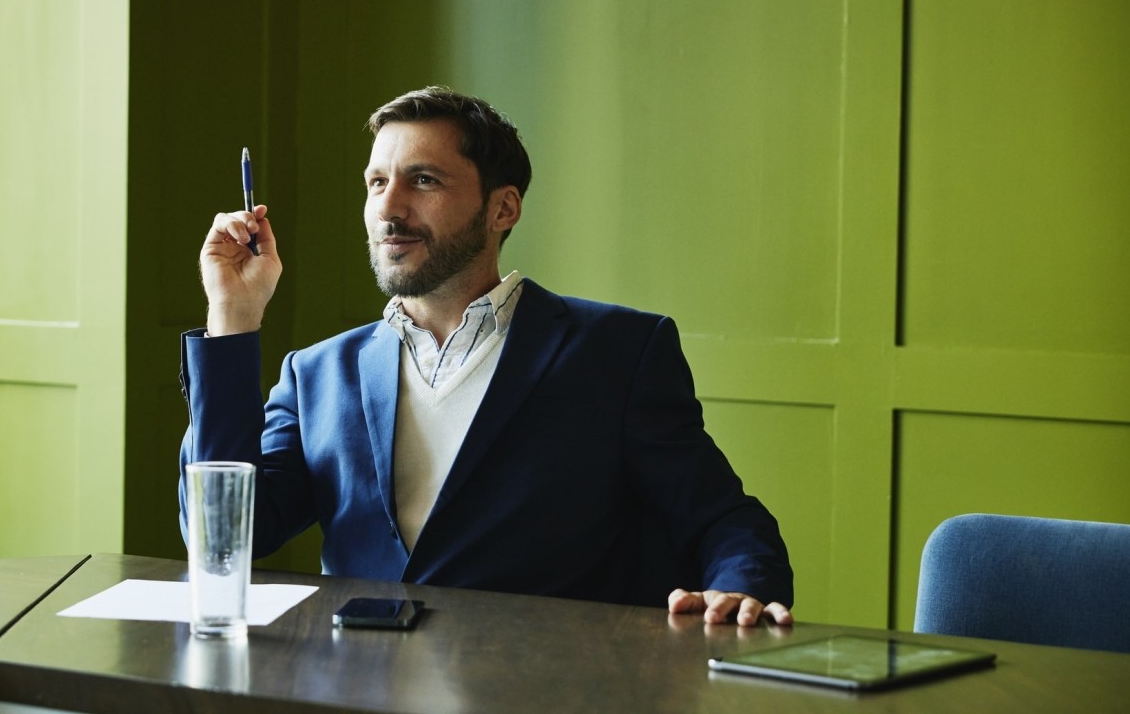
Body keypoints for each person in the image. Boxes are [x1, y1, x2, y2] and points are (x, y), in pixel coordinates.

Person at [180, 86, 793, 626]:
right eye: (377, 183)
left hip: (544, 689)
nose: (389, 208)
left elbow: (724, 520)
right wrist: (233, 317)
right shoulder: (315, 374)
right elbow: (226, 535)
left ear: (503, 208)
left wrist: (740, 591)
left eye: (423, 180)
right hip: (356, 688)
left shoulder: (620, 353)